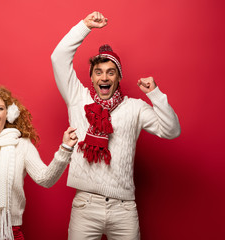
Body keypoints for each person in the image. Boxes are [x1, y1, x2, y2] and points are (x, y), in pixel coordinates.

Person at [51, 12, 181, 240]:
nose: (104, 77)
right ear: (91, 78)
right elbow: (58, 58)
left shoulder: (135, 108)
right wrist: (84, 26)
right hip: (85, 206)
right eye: (99, 72)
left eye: (111, 72)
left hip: (124, 209)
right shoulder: (77, 98)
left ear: (118, 78)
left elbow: (171, 130)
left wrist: (156, 94)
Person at [0, 35, 78, 240]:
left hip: (10, 232)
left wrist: (65, 149)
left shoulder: (22, 146)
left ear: (8, 114)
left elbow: (45, 179)